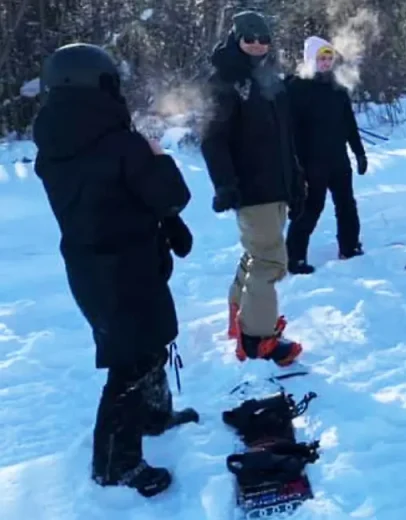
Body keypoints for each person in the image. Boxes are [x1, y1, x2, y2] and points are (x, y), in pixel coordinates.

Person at [33, 43, 199, 497]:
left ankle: (155, 416)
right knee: (132, 361)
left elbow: (118, 196)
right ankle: (114, 464)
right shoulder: (121, 144)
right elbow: (172, 196)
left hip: (93, 268)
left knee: (148, 343)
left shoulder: (56, 146)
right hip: (126, 267)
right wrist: (158, 156)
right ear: (98, 86)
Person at [200, 11, 303, 366]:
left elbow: (285, 137)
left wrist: (296, 180)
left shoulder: (269, 77)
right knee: (269, 261)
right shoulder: (227, 80)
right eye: (250, 38)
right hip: (252, 187)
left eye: (263, 38)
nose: (257, 44)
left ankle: (240, 315)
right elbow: (212, 138)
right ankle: (258, 339)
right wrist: (225, 184)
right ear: (237, 39)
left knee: (257, 254)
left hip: (276, 184)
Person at [284, 36, 369, 274]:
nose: (326, 62)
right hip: (311, 162)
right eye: (321, 58)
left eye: (329, 58)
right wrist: (295, 165)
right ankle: (295, 257)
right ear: (310, 59)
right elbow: (290, 131)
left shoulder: (337, 88)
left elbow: (349, 124)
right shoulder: (297, 88)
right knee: (311, 207)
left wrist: (359, 152)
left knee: (346, 205)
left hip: (338, 158)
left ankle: (349, 247)